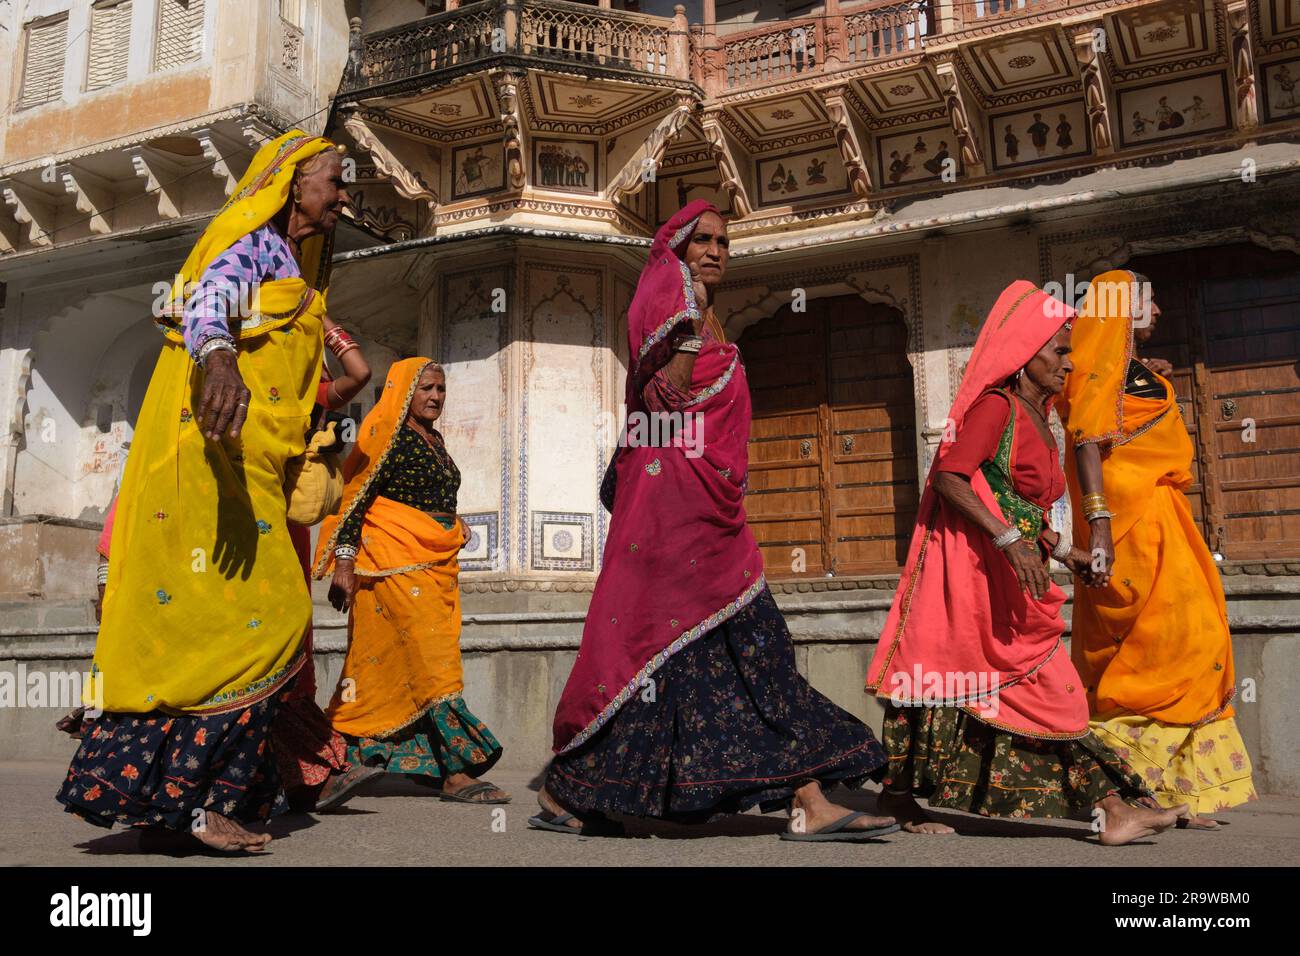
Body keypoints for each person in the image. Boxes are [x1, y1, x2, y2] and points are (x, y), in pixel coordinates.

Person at [533, 201, 896, 842]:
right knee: (740, 649)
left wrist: (700, 317)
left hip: (710, 512)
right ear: (675, 247)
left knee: (718, 660)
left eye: (724, 242)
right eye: (701, 240)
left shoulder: (705, 313)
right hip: (675, 517)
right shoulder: (663, 305)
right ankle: (806, 799)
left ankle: (574, 792)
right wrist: (692, 323)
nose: (716, 250)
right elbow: (663, 402)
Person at [56, 129, 352, 853]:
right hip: (214, 462)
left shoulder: (294, 267)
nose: (344, 195)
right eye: (335, 180)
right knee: (263, 618)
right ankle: (200, 799)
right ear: (292, 184)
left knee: (246, 625)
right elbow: (207, 301)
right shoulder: (249, 244)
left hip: (257, 467)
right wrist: (218, 358)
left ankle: (198, 800)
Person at [864, 280, 1185, 845]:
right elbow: (950, 477)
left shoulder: (1043, 416)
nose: (1069, 361)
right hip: (977, 575)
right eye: (1059, 351)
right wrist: (1010, 540)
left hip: (1015, 576)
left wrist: (1069, 553)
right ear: (1025, 355)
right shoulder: (997, 407)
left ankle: (1110, 805)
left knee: (1010, 688)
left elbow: (1016, 503)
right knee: (1035, 685)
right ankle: (1112, 808)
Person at [1057, 270, 1257, 822]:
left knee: (1194, 640)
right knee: (1175, 647)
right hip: (1130, 530)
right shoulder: (1100, 370)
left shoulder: (1129, 370)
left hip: (1160, 517)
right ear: (1124, 305)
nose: (1159, 309)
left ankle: (1176, 794)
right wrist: (1098, 529)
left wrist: (1153, 374)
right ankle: (1111, 780)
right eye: (1148, 299)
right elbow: (1087, 443)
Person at [313, 359, 508, 803]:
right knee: (434, 661)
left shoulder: (434, 439)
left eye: (441, 389)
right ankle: (457, 772)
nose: (436, 397)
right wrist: (344, 562)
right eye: (427, 389)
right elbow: (355, 498)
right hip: (391, 562)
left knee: (396, 666)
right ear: (404, 391)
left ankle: (338, 763)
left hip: (431, 562)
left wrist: (450, 526)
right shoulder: (388, 436)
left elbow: (431, 498)